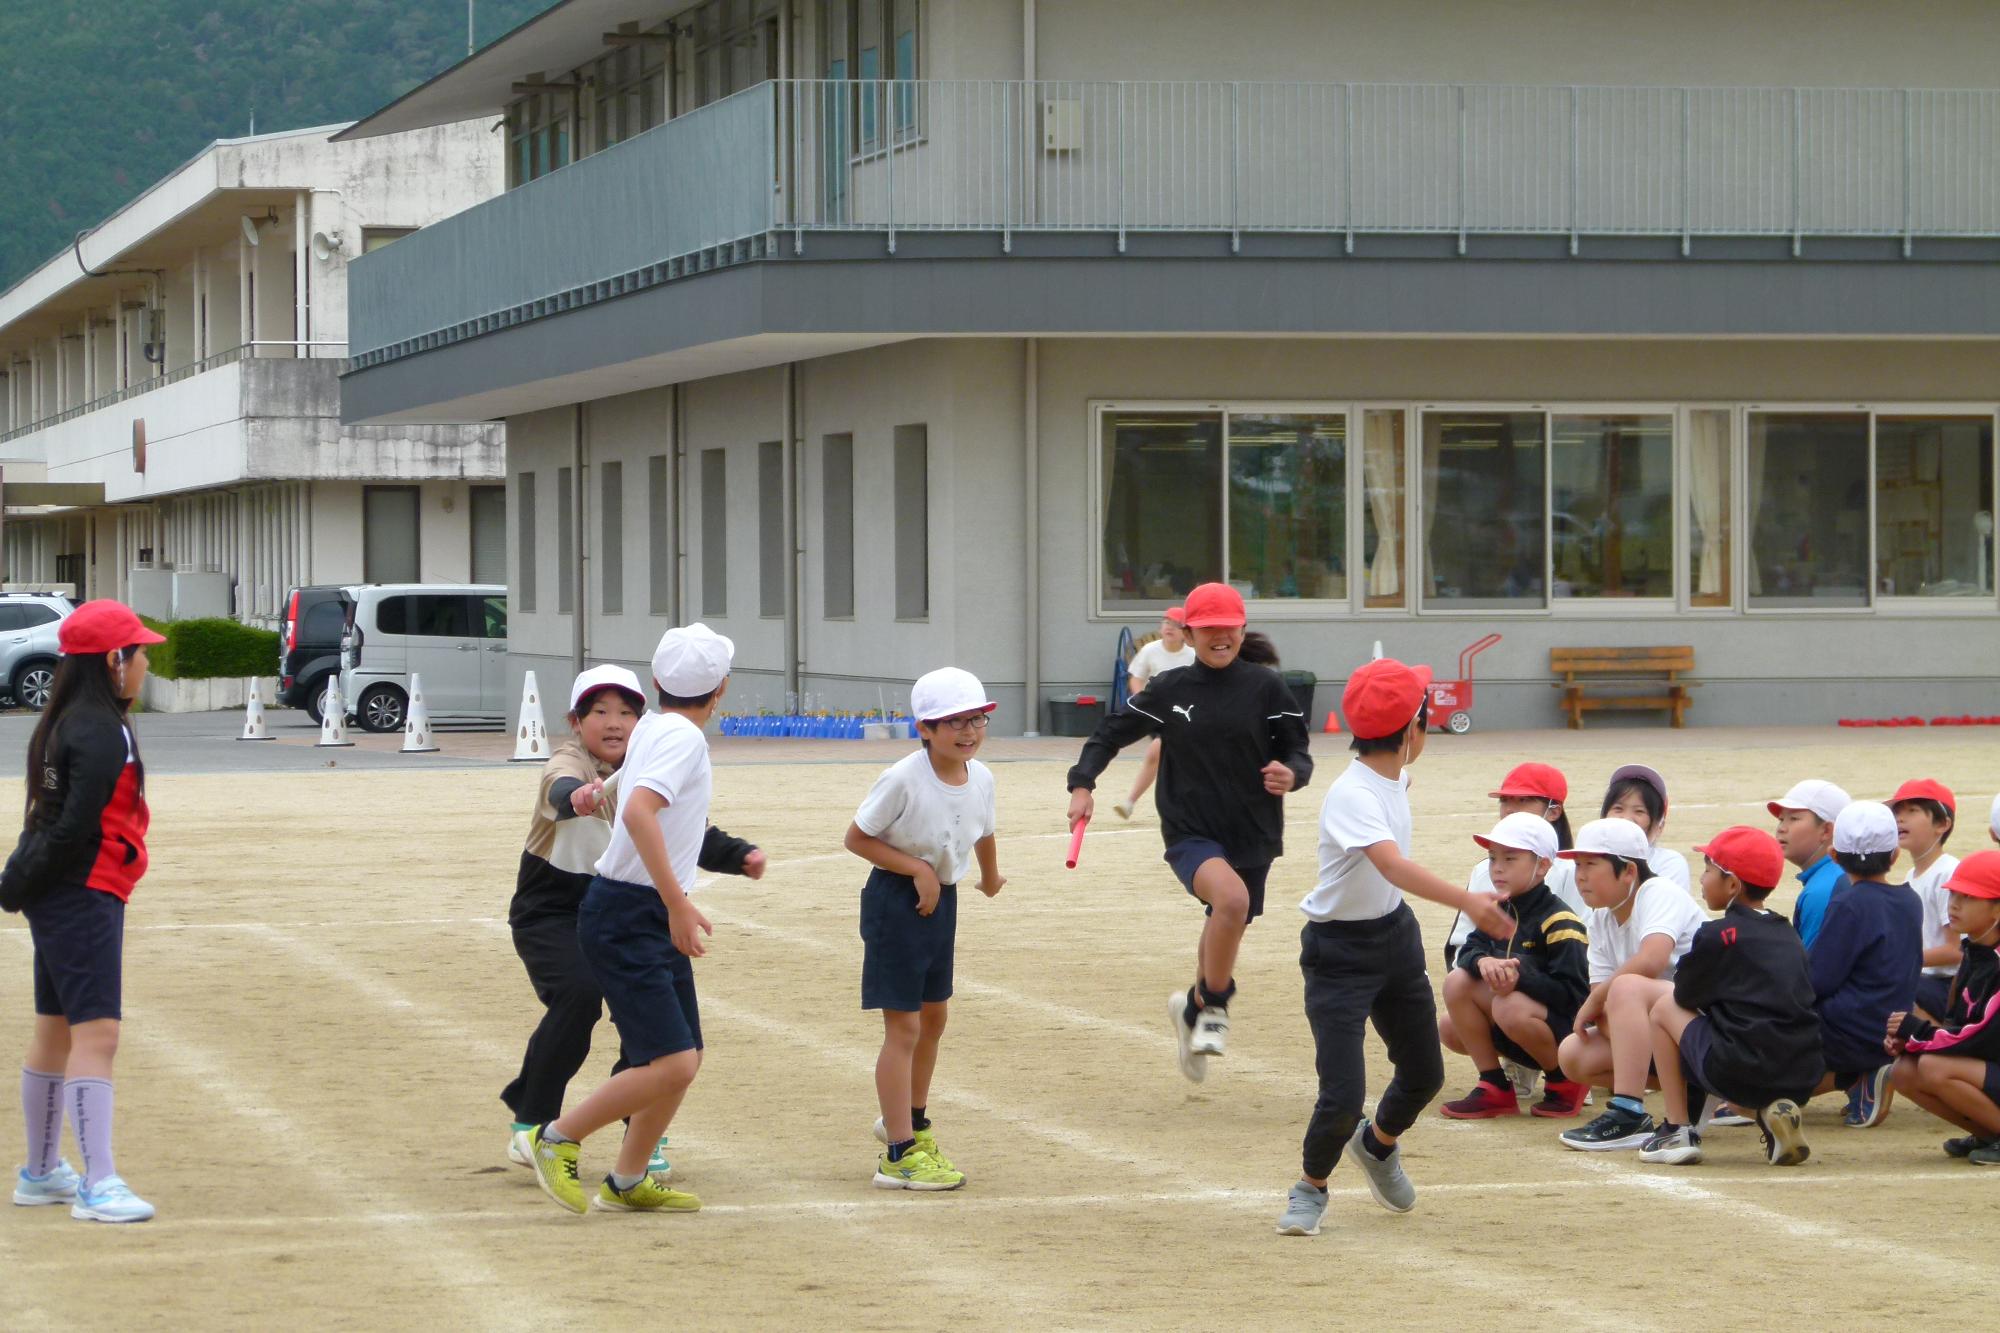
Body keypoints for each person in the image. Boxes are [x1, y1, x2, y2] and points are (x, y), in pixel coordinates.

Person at [524, 624, 760, 1215]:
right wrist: (678, 903)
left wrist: (590, 793)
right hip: (631, 912)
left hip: (629, 908)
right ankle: (557, 1138)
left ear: (655, 683)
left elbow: (621, 793)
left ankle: (628, 1180)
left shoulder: (655, 726)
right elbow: (638, 811)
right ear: (722, 688)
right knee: (672, 1061)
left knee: (685, 1059)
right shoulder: (682, 738)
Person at [1276, 657, 1514, 1238]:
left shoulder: (1392, 777)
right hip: (1337, 954)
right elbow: (1392, 865)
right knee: (1342, 1094)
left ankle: (1378, 1146)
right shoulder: (1351, 794)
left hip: (1395, 940)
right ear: (1415, 730)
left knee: (1424, 1073)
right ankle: (1312, 1185)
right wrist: (1470, 900)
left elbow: (1397, 796)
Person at [1066, 583, 1312, 1083]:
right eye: (1209, 627)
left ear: (1242, 630)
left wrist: (1293, 774)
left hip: (1254, 829)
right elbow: (1109, 733)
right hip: (1190, 829)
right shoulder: (1172, 688)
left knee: (1226, 917)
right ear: (1191, 632)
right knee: (1231, 901)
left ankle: (1193, 1007)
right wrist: (1082, 784)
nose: (1220, 636)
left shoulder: (1269, 689)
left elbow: (1298, 753)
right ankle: (1216, 1005)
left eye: (1229, 626)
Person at [1, 600, 165, 1223]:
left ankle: (42, 1172)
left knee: (55, 1029)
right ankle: (99, 1181)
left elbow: (49, 820)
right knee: (97, 1034)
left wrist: (18, 881)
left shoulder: (69, 718)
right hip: (82, 891)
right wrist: (16, 881)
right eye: (139, 652)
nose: (146, 663)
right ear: (113, 660)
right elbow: (71, 826)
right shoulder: (98, 727)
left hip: (65, 890)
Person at [844, 667, 1004, 1191]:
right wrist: (915, 869)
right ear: (925, 730)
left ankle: (911, 1118)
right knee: (904, 1027)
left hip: (943, 901)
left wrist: (989, 876)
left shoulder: (981, 776)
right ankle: (898, 1153)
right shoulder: (903, 778)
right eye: (953, 722)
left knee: (934, 1017)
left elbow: (983, 829)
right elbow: (857, 838)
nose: (968, 731)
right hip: (897, 903)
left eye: (976, 719)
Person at [1634, 826, 1822, 1167]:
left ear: (1732, 885)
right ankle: (1768, 1115)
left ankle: (1677, 1127)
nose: (1702, 879)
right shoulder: (1787, 933)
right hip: (1802, 1071)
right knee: (1741, 1032)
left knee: (1664, 1008)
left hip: (1739, 1068)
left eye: (1708, 870)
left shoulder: (1717, 934)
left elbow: (1686, 993)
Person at [1556, 818, 1708, 1151]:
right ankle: (1689, 1088)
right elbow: (1604, 1003)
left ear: (1628, 871)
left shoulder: (1658, 891)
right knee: (1573, 1055)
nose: (1580, 875)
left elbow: (1652, 959)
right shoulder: (1598, 917)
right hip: (1666, 1032)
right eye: (1577, 865)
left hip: (1711, 1029)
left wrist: (1596, 1004)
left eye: (1591, 865)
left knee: (1627, 986)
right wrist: (1605, 1007)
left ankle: (1628, 1112)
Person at [1437, 813, 1592, 1119]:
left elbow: (1573, 996)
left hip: (1562, 1034)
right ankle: (1493, 1085)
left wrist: (1518, 978)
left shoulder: (1560, 921)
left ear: (1543, 866)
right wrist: (1484, 962)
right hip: (1520, 1026)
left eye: (1510, 858)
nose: (1497, 867)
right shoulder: (1498, 909)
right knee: (1454, 993)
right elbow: (1468, 950)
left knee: (1509, 1006)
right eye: (1493, 858)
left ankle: (1565, 1082)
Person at [1802, 801, 1922, 1130]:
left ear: (1834, 856)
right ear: (1895, 855)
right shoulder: (1910, 901)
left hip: (1850, 1029)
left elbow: (1819, 980)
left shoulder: (1848, 903)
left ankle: (1855, 1075)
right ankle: (1862, 1077)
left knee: (1781, 1025)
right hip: (1893, 1023)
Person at [1886, 851, 2000, 1163]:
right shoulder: (1976, 951)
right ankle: (1989, 1133)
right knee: (1904, 1071)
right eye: (1953, 893)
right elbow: (1955, 1023)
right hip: (1989, 1064)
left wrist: (1916, 1032)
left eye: (1969, 896)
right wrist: (1910, 1043)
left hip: (1988, 1056)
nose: (1954, 903)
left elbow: (1980, 1036)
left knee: (1934, 1067)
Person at [1111, 608, 1195, 821]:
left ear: (1186, 631)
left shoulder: (1193, 655)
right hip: (1157, 715)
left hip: (1186, 715)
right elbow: (1136, 677)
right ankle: (1131, 802)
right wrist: (1142, 699)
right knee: (1158, 753)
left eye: (1176, 624)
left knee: (1162, 755)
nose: (1169, 628)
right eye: (1166, 622)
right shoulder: (1150, 650)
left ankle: (1131, 803)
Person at [1890, 779, 1962, 1022]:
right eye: (1897, 812)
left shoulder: (1947, 873)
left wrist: (1901, 960)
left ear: (1942, 824)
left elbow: (1956, 951)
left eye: (1912, 811)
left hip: (1947, 985)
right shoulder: (1912, 876)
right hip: (1924, 978)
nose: (1900, 818)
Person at [1768, 779, 1853, 948]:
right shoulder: (1842, 874)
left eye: (1793, 818)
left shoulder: (1822, 890)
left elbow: (1814, 970)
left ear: (1826, 830)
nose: (1781, 828)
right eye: (1781, 819)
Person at [1599, 764, 1690, 891]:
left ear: (1660, 826)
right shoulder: (1586, 860)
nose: (1626, 819)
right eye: (1618, 809)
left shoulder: (1669, 864)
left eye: (1639, 811)